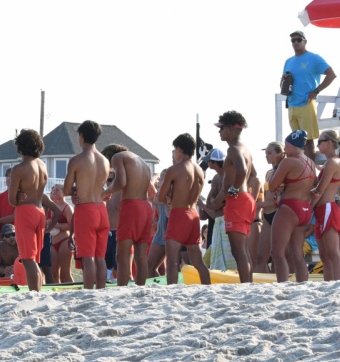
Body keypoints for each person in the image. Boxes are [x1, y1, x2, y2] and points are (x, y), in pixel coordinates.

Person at [208, 111, 259, 282]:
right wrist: (242, 189)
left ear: (230, 129)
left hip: (238, 200)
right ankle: (248, 283)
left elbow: (243, 170)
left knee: (238, 251)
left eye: (221, 128)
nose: (219, 131)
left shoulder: (233, 148)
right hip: (245, 199)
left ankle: (246, 285)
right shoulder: (245, 148)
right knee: (242, 250)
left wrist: (234, 189)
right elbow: (253, 174)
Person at [156, 133, 210, 285]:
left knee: (172, 260)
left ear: (179, 149)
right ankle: (207, 287)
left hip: (179, 214)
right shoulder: (199, 170)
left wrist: (169, 197)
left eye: (175, 150)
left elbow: (160, 197)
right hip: (193, 214)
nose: (174, 153)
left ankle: (171, 291)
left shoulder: (174, 169)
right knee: (198, 261)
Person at [11, 129, 58, 292]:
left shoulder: (19, 168)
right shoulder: (42, 165)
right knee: (35, 260)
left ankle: (34, 293)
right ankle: (37, 291)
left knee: (28, 259)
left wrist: (17, 194)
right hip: (40, 210)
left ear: (20, 146)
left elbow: (12, 200)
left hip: (26, 211)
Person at [65, 121, 110, 290]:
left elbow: (66, 190)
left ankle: (89, 291)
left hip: (86, 209)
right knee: (100, 257)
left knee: (87, 256)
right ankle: (101, 289)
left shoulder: (77, 160)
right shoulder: (105, 160)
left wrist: (75, 190)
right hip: (101, 208)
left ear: (81, 136)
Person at [102, 144, 154, 286]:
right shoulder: (143, 163)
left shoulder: (117, 157)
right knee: (141, 255)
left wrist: (105, 192)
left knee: (122, 255)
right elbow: (152, 193)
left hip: (131, 205)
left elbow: (121, 182)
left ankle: (122, 288)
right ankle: (140, 287)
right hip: (145, 206)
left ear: (109, 156)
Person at [268, 130, 316, 283]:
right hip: (305, 208)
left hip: (290, 207)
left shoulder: (288, 162)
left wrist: (277, 165)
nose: (284, 148)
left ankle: (282, 284)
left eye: (286, 144)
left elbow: (272, 186)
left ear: (291, 144)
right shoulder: (310, 162)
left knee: (277, 253)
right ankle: (303, 284)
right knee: (297, 254)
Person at [283, 30, 337, 157]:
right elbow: (285, 80)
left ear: (305, 42)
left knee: (308, 141)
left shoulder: (314, 58)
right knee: (296, 143)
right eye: (293, 40)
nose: (296, 43)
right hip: (291, 104)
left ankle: (310, 168)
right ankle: (301, 167)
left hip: (306, 103)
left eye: (299, 40)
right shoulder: (288, 61)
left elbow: (331, 74)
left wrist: (316, 91)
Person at [309, 130, 340, 281]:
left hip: (327, 208)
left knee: (333, 253)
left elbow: (319, 190)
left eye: (320, 141)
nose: (317, 145)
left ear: (330, 143)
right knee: (325, 255)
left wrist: (308, 208)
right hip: (322, 209)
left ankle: (338, 282)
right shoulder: (331, 162)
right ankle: (329, 283)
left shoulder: (333, 162)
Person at [255, 143, 284, 274]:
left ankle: (281, 281)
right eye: (266, 153)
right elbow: (267, 195)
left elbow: (280, 200)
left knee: (279, 256)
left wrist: (260, 205)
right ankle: (263, 282)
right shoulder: (269, 173)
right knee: (261, 257)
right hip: (267, 216)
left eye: (269, 153)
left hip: (279, 214)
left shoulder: (284, 172)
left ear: (280, 154)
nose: (266, 156)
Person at [46, 184, 73, 284]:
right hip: (53, 241)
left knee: (65, 273)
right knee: (53, 273)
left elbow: (72, 226)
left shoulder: (67, 207)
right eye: (53, 190)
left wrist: (58, 225)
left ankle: (71, 290)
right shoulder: (50, 208)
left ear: (64, 192)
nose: (54, 192)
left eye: (57, 190)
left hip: (64, 240)